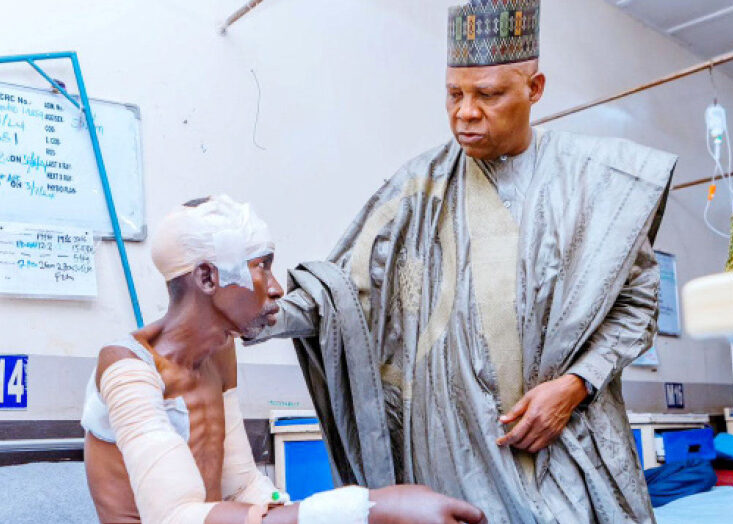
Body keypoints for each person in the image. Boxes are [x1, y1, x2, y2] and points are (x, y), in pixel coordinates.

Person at [246, 1, 678, 522]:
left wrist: (575, 385)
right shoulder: (418, 187)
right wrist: (256, 313)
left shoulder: (596, 182)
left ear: (534, 89)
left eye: (488, 95)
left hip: (562, 444)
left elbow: (637, 304)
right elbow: (343, 289)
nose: (465, 112)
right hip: (451, 450)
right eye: (454, 94)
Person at [81, 195, 486, 524]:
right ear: (208, 278)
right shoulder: (125, 368)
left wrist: (286, 505)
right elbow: (173, 517)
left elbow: (241, 487)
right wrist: (367, 508)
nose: (276, 288)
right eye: (262, 267)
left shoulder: (221, 350)